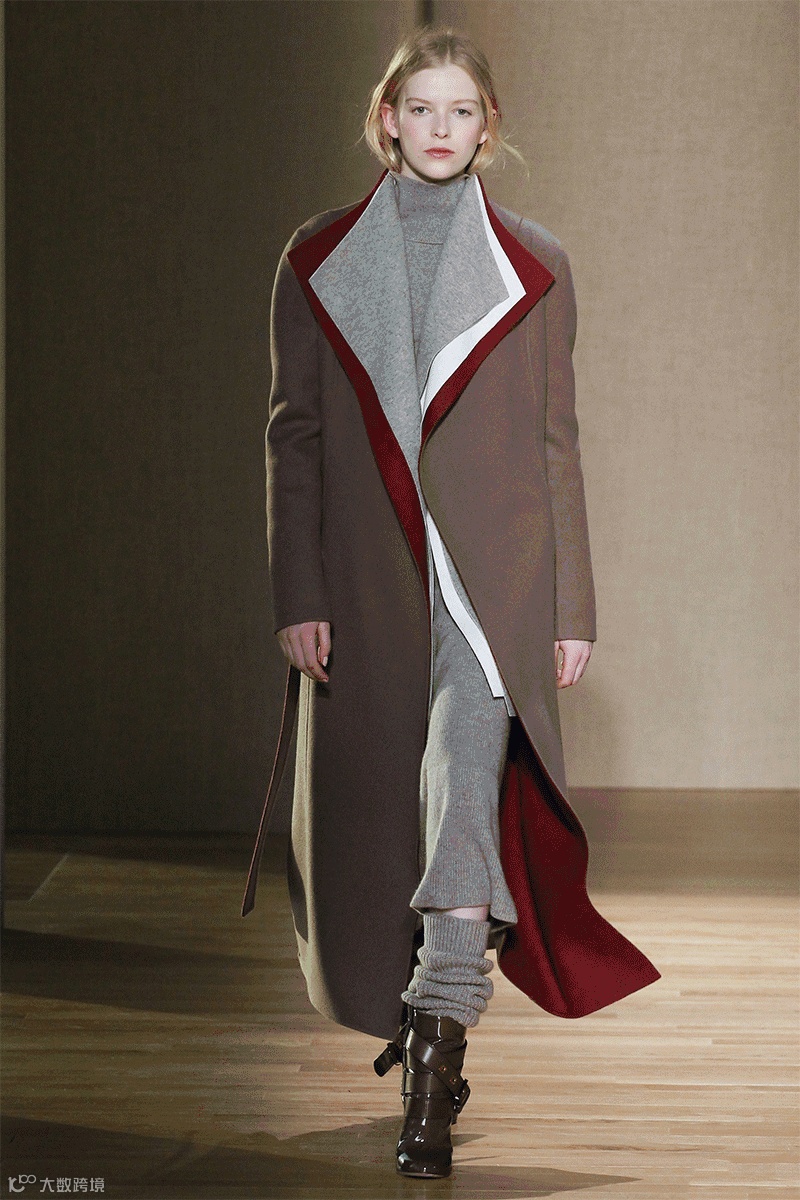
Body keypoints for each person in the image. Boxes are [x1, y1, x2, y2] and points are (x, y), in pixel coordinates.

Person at [242, 24, 660, 1180]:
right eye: (418, 108)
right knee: (389, 820)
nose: (438, 128)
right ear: (385, 119)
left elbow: (554, 440)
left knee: (464, 799)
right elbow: (294, 437)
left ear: (488, 126)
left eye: (459, 110)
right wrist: (298, 590)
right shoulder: (314, 258)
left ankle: (431, 1059)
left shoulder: (536, 262)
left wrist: (570, 603)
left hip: (494, 589)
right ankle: (427, 1035)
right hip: (371, 580)